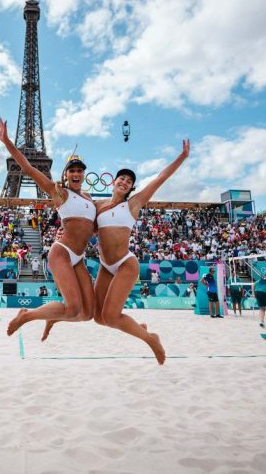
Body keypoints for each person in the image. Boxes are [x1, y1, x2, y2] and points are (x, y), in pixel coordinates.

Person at [93, 139, 190, 365]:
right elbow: (82, 229)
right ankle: (140, 329)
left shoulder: (133, 204)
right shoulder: (97, 206)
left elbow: (160, 178)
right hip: (105, 265)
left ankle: (150, 339)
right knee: (99, 318)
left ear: (131, 188)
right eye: (122, 178)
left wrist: (182, 157)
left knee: (111, 316)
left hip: (126, 263)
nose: (125, 182)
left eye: (129, 181)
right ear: (113, 182)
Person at [0, 119, 97, 339]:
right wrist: (7, 142)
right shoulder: (59, 192)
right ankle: (27, 315)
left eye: (80, 170)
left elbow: (99, 225)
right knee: (72, 308)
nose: (76, 173)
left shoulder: (90, 199)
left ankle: (52, 316)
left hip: (78, 257)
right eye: (72, 171)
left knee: (88, 313)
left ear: (84, 174)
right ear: (65, 175)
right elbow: (29, 168)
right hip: (61, 252)